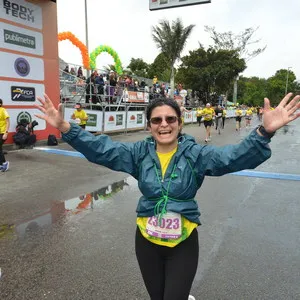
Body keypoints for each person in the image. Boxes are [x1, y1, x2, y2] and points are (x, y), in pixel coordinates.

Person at [35, 93, 300, 300]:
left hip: (183, 242)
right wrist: (66, 128)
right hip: (146, 240)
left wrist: (264, 133)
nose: (164, 124)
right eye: (157, 120)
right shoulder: (138, 153)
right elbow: (101, 149)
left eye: (170, 119)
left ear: (180, 123)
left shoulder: (196, 154)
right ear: (149, 125)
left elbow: (230, 157)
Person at [0, 98, 10, 172]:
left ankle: (4, 163)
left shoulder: (3, 110)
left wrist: (6, 133)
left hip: (3, 133)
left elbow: (8, 122)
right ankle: (2, 164)